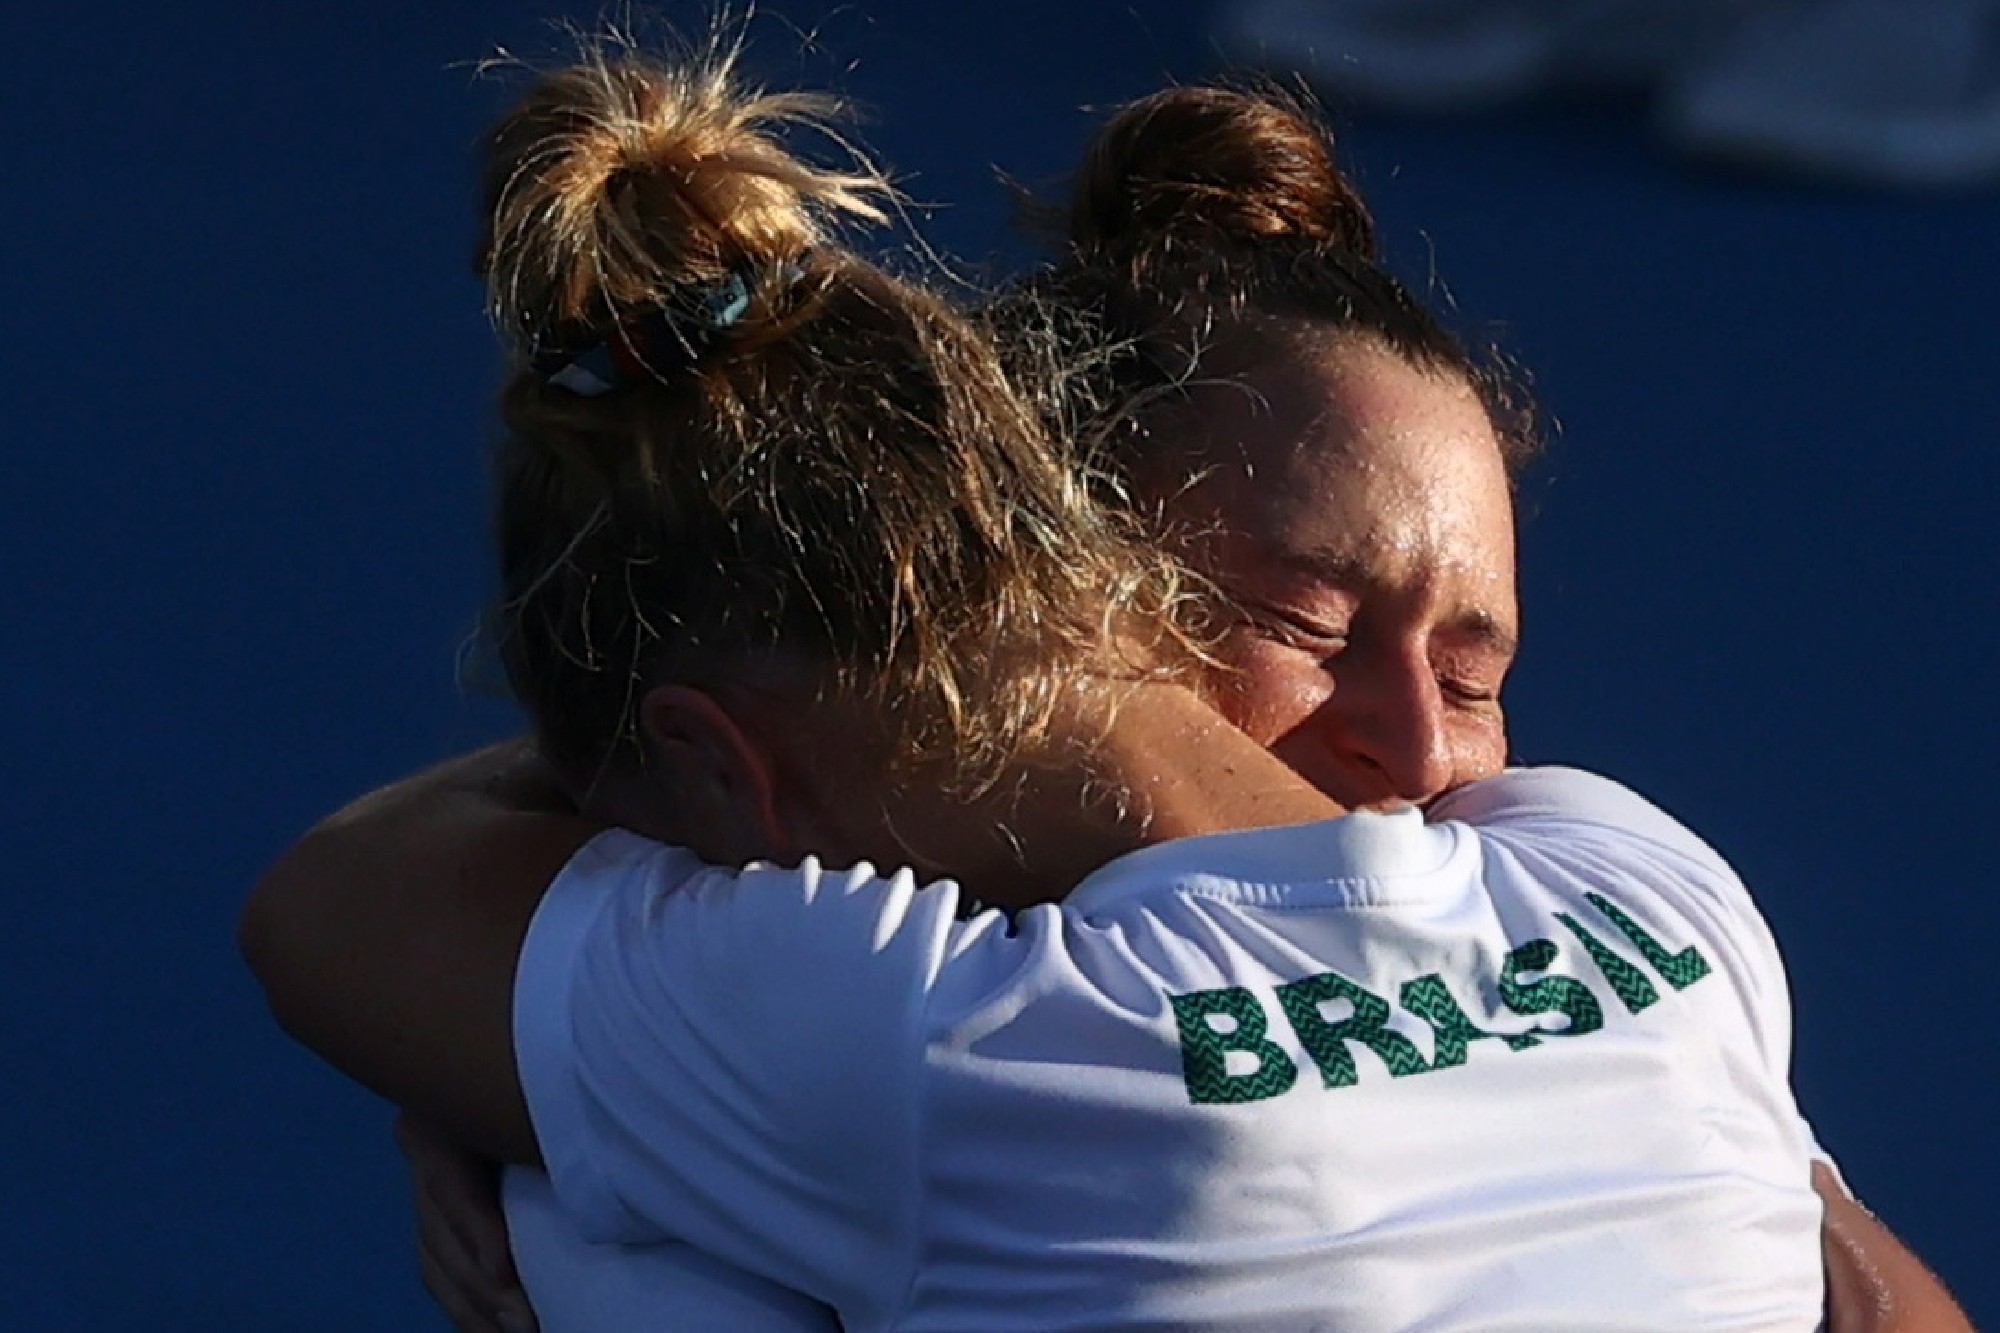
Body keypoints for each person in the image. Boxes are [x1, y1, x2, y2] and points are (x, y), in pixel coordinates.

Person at [240, 40, 1965, 1333]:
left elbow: (343, 908)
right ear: (1103, 573)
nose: (1421, 747)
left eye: (1474, 662)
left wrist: (503, 1083)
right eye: (1300, 621)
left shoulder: (910, 1036)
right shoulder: (1637, 881)